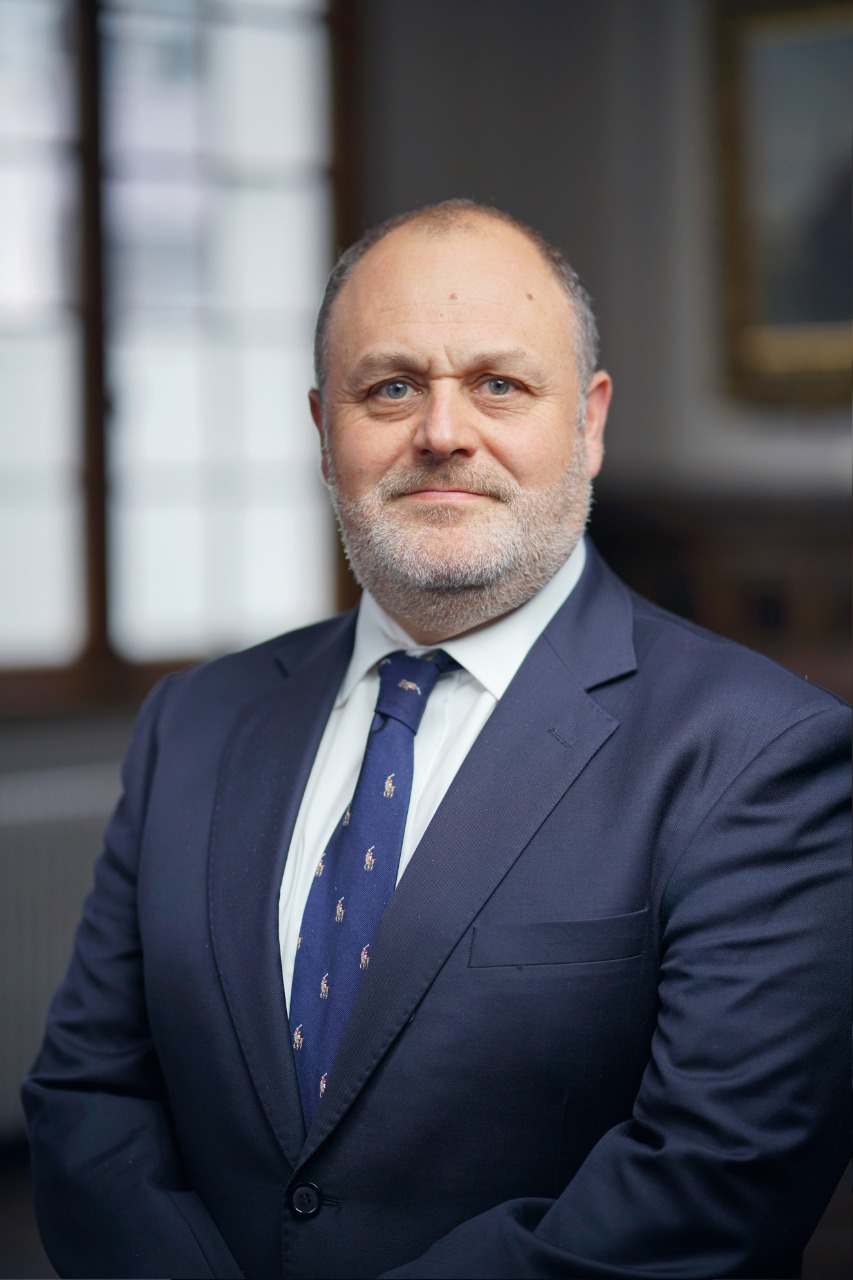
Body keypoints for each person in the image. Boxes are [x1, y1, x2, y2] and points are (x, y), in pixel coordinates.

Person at [23, 200, 851, 1280]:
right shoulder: (195, 722)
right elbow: (89, 1099)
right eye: (390, 387)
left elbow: (710, 1184)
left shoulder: (763, 754)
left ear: (589, 423)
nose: (443, 432)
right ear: (323, 430)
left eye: (499, 384)